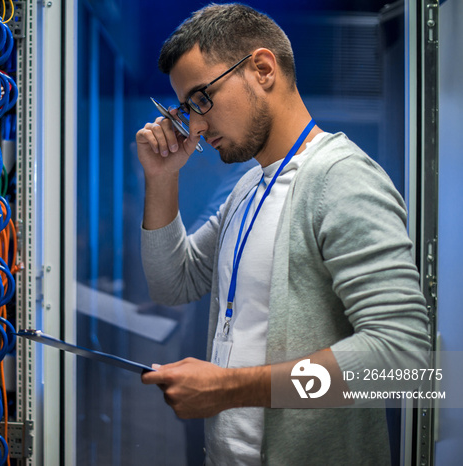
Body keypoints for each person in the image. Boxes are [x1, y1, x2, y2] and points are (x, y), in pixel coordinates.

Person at [137, 3, 430, 465]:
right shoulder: (249, 186)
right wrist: (161, 177)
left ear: (262, 69)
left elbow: (405, 360)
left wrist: (229, 388)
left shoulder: (341, 179)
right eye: (185, 107)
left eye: (201, 99)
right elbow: (174, 283)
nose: (194, 124)